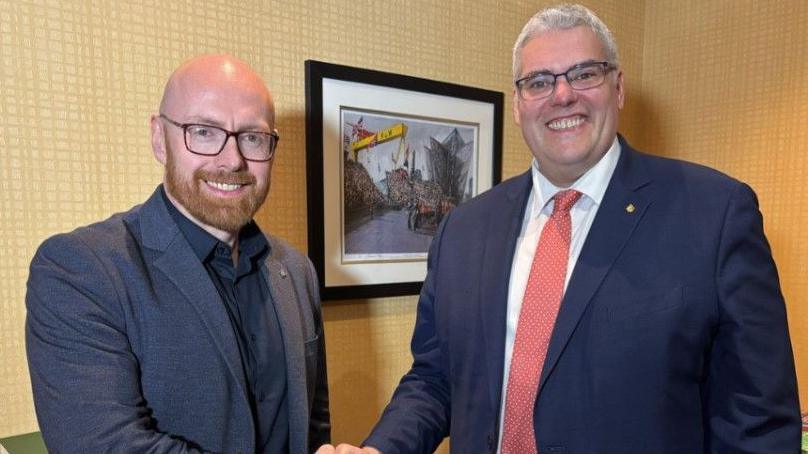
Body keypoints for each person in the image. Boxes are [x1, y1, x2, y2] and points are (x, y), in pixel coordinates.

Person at [318, 4, 800, 454]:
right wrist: (380, 448)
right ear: (518, 103)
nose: (562, 94)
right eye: (539, 81)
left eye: (584, 73)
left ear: (619, 87)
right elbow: (435, 379)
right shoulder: (463, 228)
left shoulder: (714, 214)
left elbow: (756, 423)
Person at [26, 54, 330, 453]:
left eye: (253, 137)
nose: (232, 159)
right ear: (159, 138)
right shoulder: (81, 270)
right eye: (204, 131)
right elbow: (106, 445)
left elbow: (312, 426)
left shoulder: (296, 270)